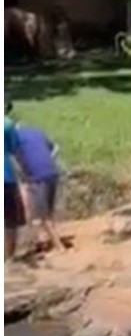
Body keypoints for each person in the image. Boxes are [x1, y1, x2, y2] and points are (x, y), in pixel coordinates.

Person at [9, 106, 62, 255]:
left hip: (37, 177)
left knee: (42, 217)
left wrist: (24, 177)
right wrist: (48, 161)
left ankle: (60, 248)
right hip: (53, 173)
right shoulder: (36, 131)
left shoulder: (14, 139)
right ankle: (41, 242)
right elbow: (56, 148)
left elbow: (15, 161)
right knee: (44, 213)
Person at [4, 103, 28, 261]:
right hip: (6, 177)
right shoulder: (7, 124)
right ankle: (7, 258)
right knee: (10, 220)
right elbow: (16, 151)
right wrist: (25, 173)